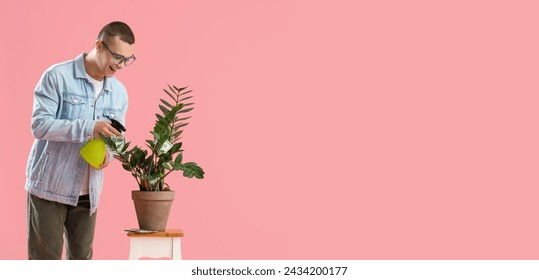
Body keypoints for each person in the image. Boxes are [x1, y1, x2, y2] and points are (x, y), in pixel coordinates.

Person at [25, 21, 136, 260]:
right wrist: (88, 128)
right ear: (99, 45)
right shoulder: (58, 76)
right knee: (45, 264)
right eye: (117, 56)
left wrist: (109, 155)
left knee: (82, 265)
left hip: (88, 193)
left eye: (128, 59)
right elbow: (39, 125)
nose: (121, 65)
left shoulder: (119, 93)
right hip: (49, 189)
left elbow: (117, 139)